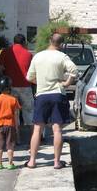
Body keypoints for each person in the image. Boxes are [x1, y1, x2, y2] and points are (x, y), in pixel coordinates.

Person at [24, 33, 78, 169]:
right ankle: (56, 162)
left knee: (37, 129)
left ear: (49, 41)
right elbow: (74, 71)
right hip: (57, 94)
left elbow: (29, 77)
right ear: (61, 44)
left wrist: (40, 82)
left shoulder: (38, 56)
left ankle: (32, 161)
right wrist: (66, 83)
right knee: (57, 130)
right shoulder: (62, 57)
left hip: (42, 95)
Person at [0, 34, 34, 137]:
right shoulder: (28, 54)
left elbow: (0, 69)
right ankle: (33, 137)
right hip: (25, 86)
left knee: (14, 113)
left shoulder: (5, 52)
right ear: (24, 42)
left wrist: (4, 77)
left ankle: (16, 138)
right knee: (29, 111)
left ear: (13, 42)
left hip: (10, 87)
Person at [0, 76, 21, 170]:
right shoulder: (13, 99)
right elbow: (16, 114)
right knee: (10, 145)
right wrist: (17, 125)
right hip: (10, 124)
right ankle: (10, 163)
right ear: (9, 88)